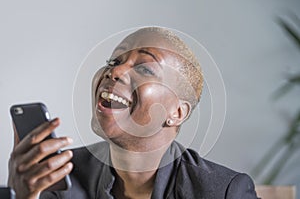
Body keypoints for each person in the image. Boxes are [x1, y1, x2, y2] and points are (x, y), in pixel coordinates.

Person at [8, 27, 258, 199]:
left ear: (177, 112)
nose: (114, 72)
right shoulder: (61, 177)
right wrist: (23, 196)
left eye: (146, 69)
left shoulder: (223, 191)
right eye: (113, 61)